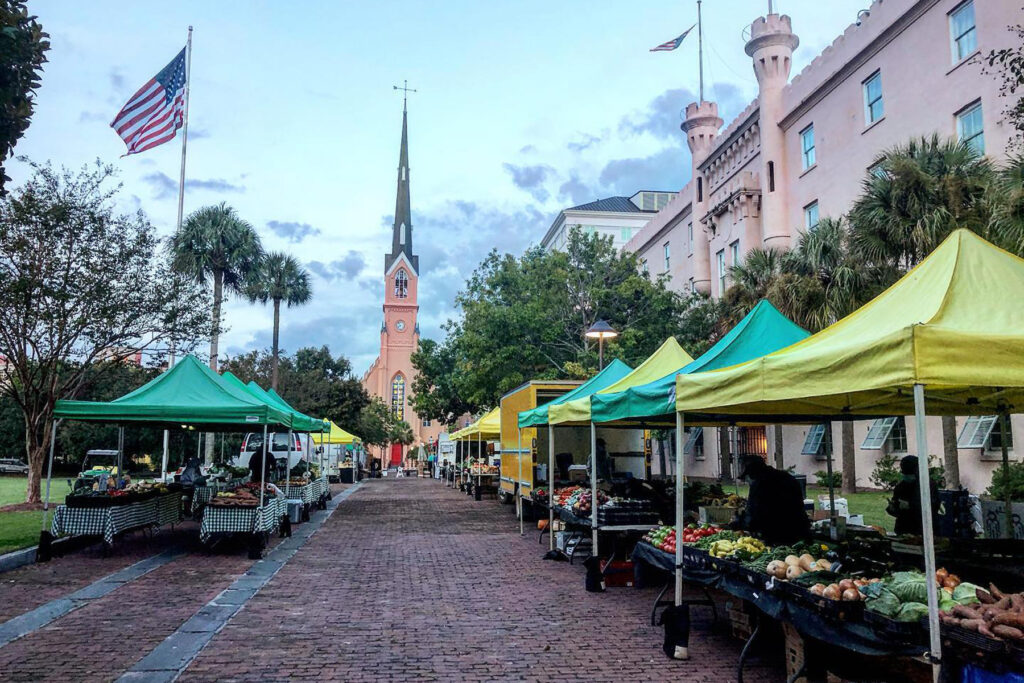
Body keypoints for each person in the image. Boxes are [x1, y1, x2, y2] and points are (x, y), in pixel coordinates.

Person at [733, 455, 810, 546]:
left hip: (778, 536)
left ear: (751, 473)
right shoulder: (786, 477)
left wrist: (737, 522)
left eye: (746, 478)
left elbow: (752, 518)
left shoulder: (759, 485)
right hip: (800, 531)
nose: (747, 481)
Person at [887, 455, 939, 536]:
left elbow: (933, 506)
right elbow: (896, 507)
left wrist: (910, 505)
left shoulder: (928, 485)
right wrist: (892, 507)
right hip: (903, 528)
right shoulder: (900, 487)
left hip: (923, 528)